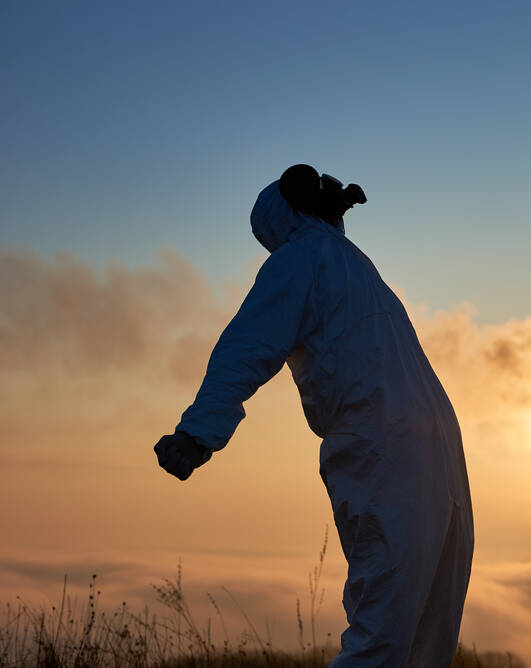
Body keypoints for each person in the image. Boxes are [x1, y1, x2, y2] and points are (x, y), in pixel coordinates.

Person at [153, 165, 474, 667]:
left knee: (428, 637)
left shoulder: (349, 262)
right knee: (386, 634)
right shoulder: (301, 260)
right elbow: (248, 346)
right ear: (294, 211)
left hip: (426, 451)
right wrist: (198, 431)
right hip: (387, 450)